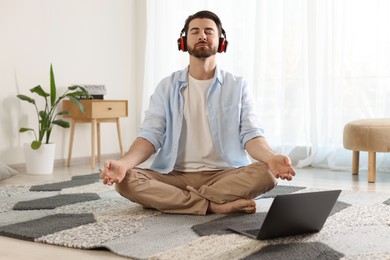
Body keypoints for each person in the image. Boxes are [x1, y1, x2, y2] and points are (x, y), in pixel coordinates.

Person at [100, 10, 295, 215]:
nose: (202, 36)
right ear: (183, 42)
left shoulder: (237, 86)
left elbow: (251, 135)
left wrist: (271, 158)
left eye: (209, 31)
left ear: (221, 42)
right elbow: (150, 136)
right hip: (174, 176)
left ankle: (181, 202)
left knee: (266, 174)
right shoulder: (166, 86)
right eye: (195, 31)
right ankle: (213, 204)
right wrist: (123, 164)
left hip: (226, 174)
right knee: (126, 181)